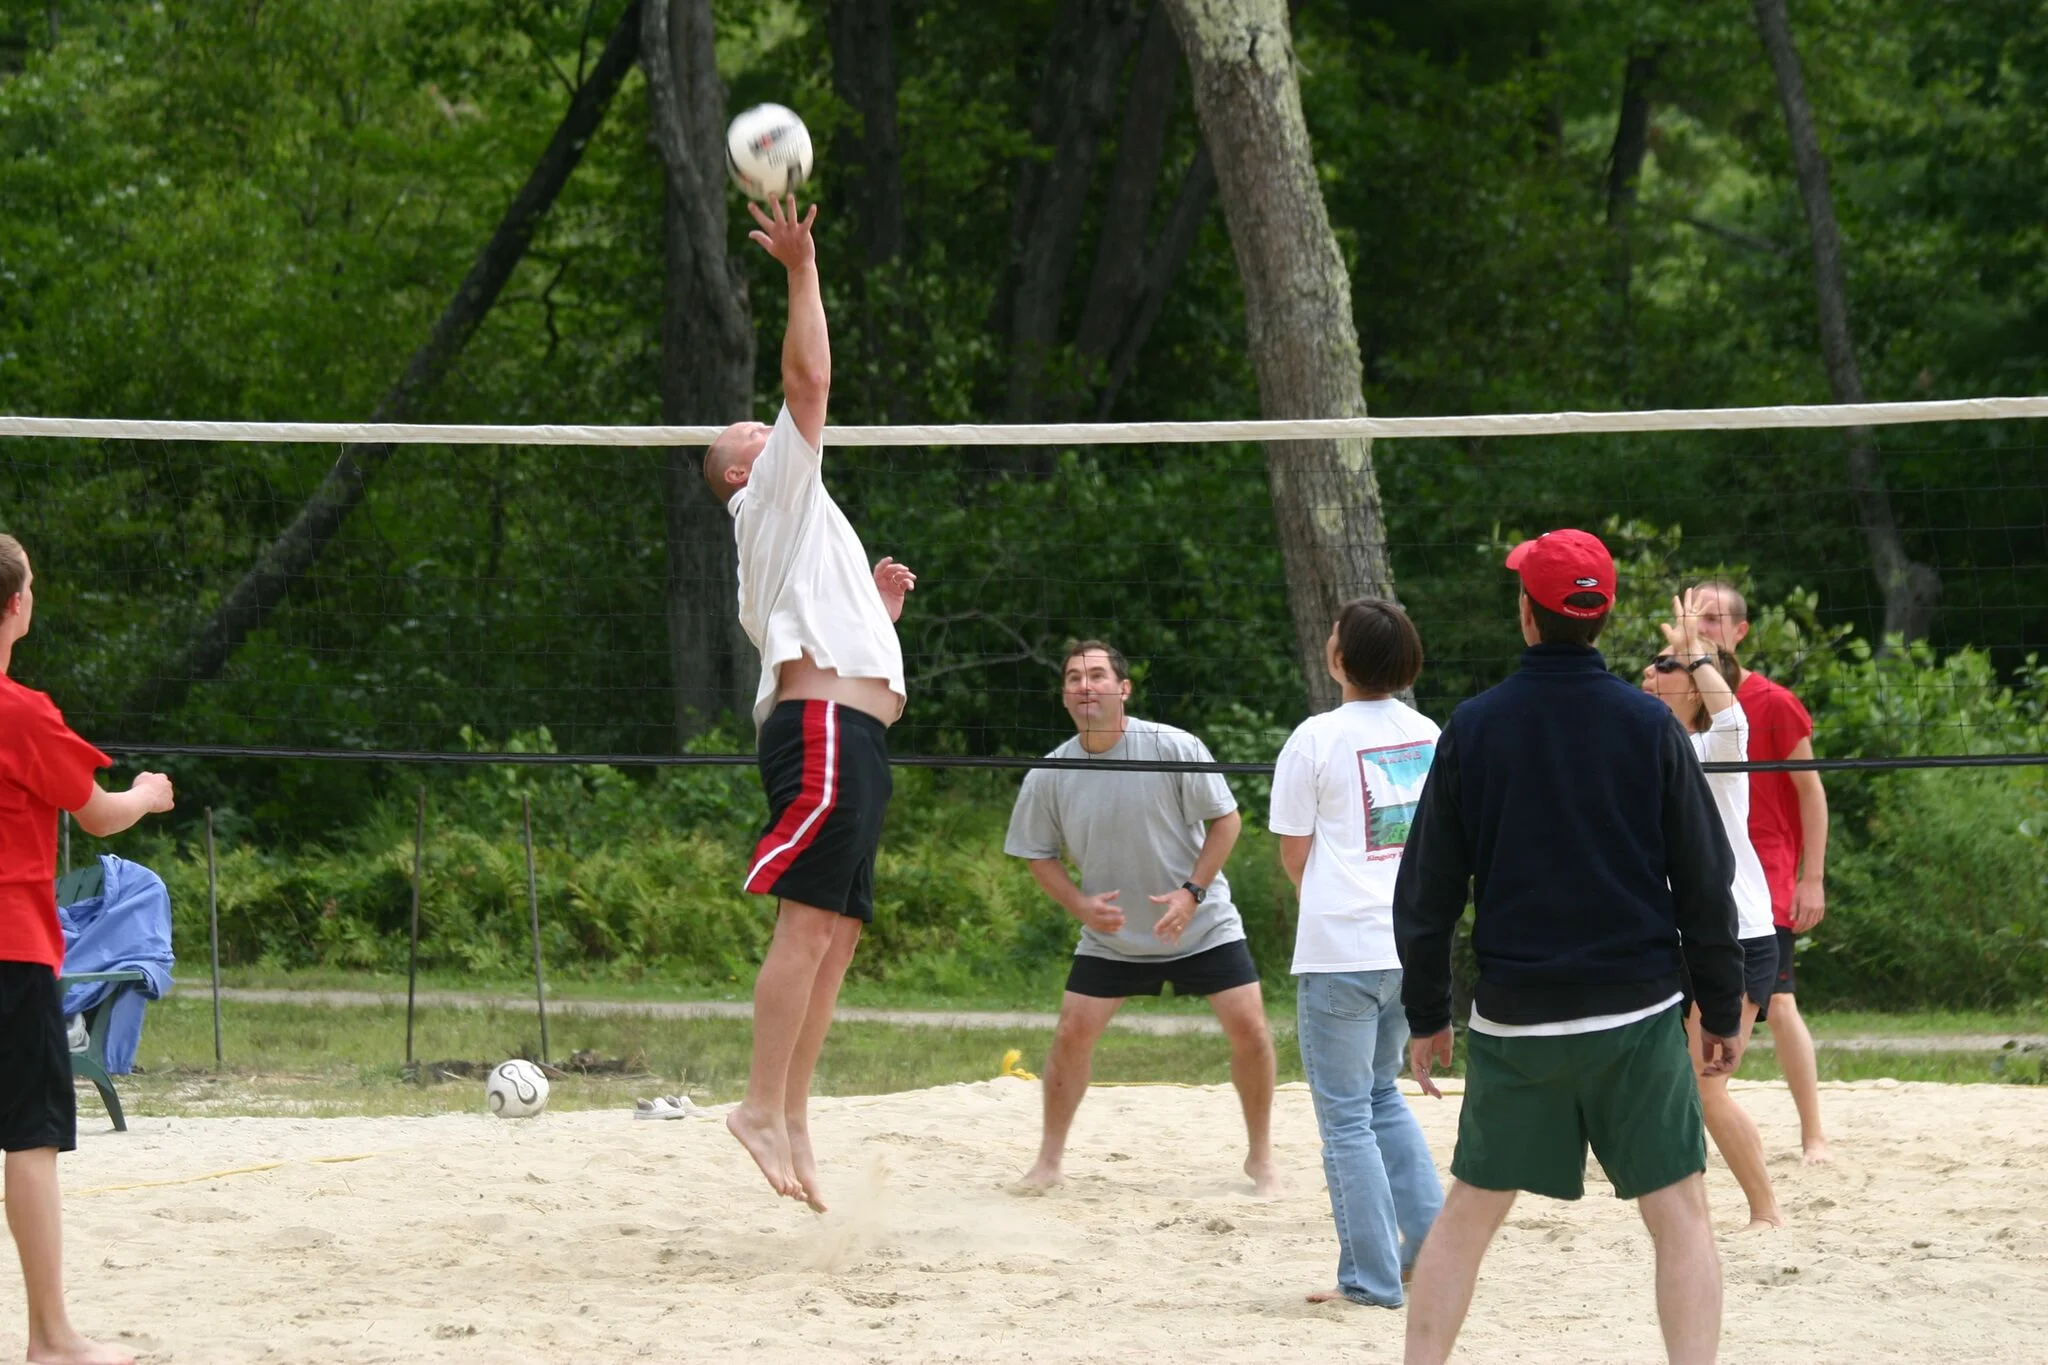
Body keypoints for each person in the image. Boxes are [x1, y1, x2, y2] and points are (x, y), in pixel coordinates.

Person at [1393, 529, 1745, 1365]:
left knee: (1470, 1211)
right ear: (1606, 613)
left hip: (1519, 1020)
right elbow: (1706, 878)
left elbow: (1427, 889)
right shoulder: (1648, 725)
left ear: (1527, 613)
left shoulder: (1475, 726)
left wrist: (1428, 1012)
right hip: (1636, 1011)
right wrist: (1723, 1004)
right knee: (1681, 1213)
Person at [706, 197, 918, 1213]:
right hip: (824, 733)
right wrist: (799, 266)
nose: (776, 421)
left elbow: (813, 629)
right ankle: (757, 1104)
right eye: (760, 430)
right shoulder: (768, 491)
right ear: (746, 467)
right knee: (805, 930)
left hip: (850, 728)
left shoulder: (793, 530)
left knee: (837, 934)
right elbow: (810, 378)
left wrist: (872, 621)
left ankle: (788, 1112)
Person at [1005, 640, 1278, 1195]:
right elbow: (1037, 853)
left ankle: (1260, 1157)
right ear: (1064, 694)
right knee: (1070, 1035)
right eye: (1074, 677)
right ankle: (1049, 1162)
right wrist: (1079, 905)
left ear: (1122, 688)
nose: (1086, 685)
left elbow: (1227, 822)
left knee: (1250, 1030)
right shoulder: (1052, 771)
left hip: (1200, 923)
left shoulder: (1172, 746)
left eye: (1098, 675)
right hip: (1113, 936)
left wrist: (1191, 893)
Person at [2, 533, 176, 1365]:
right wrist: (144, 793)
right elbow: (98, 815)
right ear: (17, 604)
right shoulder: (22, 712)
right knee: (29, 1139)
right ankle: (50, 1338)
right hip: (12, 950)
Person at [1269, 600, 1444, 1307]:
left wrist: (1335, 898)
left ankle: (1370, 1280)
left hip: (1340, 946)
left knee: (1345, 1116)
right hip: (1406, 945)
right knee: (1380, 1096)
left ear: (1338, 658)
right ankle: (1431, 1254)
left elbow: (1295, 854)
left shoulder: (1315, 738)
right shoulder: (1429, 733)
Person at [1641, 591, 1786, 1232]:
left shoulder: (1716, 752)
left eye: (1665, 666)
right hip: (1681, 936)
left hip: (1738, 936)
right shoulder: (1646, 751)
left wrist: (1696, 649)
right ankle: (1692, 1208)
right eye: (1651, 663)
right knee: (1676, 1086)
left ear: (1696, 690)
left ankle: (1767, 1212)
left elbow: (1733, 720)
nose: (1652, 670)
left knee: (1705, 1086)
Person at [1689, 580, 1832, 1164]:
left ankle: (1813, 1134)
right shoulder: (1680, 701)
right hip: (1709, 877)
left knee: (1781, 1003)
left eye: (1715, 618)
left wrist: (1812, 876)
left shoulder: (1771, 702)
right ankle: (1690, 1119)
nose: (1703, 628)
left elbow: (1811, 791)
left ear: (1741, 631)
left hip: (1764, 873)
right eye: (1695, 618)